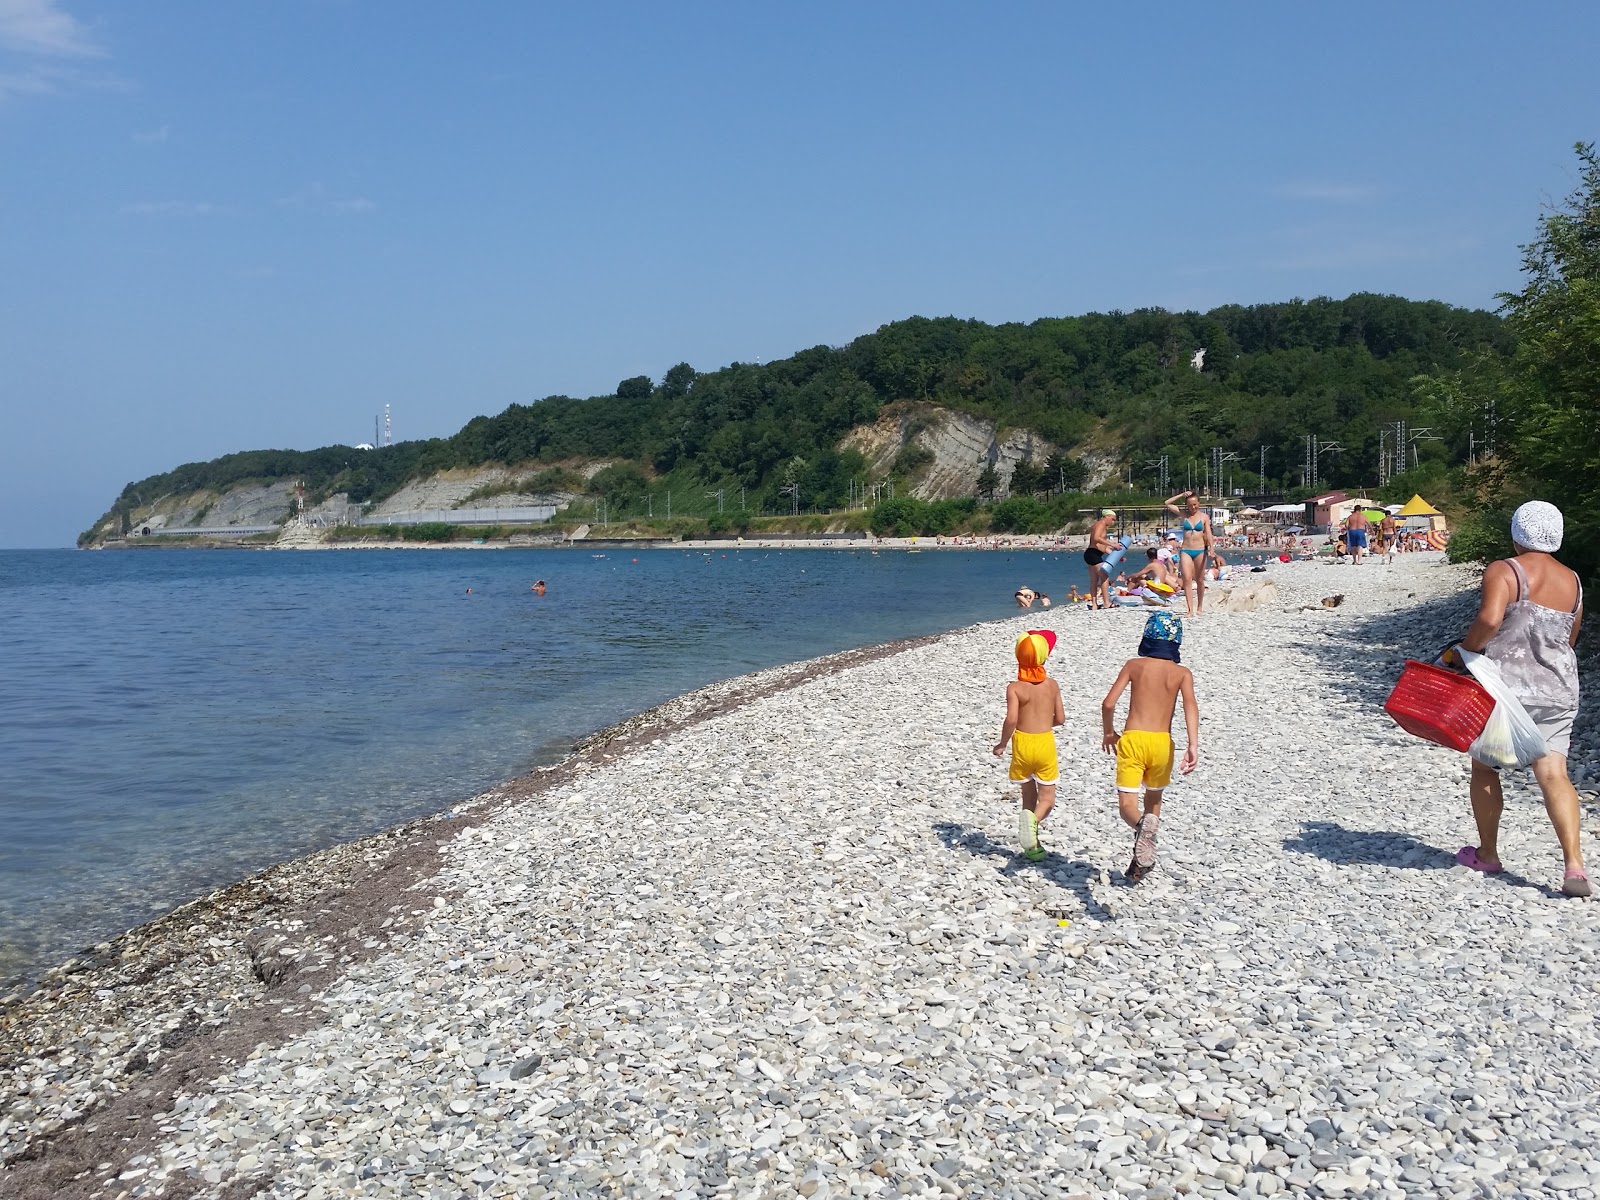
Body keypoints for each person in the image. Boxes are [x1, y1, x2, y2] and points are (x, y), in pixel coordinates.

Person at [1452, 501, 1589, 897]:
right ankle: (1575, 866)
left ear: (1517, 534)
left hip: (1505, 690)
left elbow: (1490, 619)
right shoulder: (1574, 582)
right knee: (1554, 775)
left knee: (1485, 768)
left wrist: (1466, 651)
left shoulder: (1505, 570)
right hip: (1558, 689)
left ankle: (1489, 853)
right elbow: (1569, 640)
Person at [1100, 612, 1200, 882]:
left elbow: (1109, 703)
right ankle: (1140, 863)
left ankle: (1140, 828)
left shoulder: (1134, 665)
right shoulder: (1181, 673)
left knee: (1127, 805)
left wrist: (1109, 732)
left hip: (1133, 740)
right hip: (1162, 744)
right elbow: (1190, 705)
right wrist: (1193, 744)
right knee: (1153, 801)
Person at [993, 630, 1066, 862]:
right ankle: (1033, 824)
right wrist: (1047, 721)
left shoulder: (1015, 687)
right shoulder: (1052, 685)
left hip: (1022, 743)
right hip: (1044, 742)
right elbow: (1061, 719)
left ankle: (1032, 846)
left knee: (1028, 796)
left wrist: (1002, 744)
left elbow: (1012, 720)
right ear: (1044, 658)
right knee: (1047, 799)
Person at [1163, 492, 1213, 617]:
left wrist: (1211, 548)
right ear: (1187, 505)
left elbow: (1209, 533)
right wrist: (1181, 495)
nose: (1193, 508)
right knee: (1187, 578)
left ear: (1199, 503)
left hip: (1200, 550)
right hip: (1185, 549)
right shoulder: (1184, 514)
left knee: (1200, 579)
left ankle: (1199, 606)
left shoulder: (1204, 517)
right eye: (1190, 505)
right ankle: (1190, 609)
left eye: (1195, 504)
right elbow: (1167, 503)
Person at [1083, 510, 1119, 611]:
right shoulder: (1101, 524)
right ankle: (1106, 603)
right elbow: (1096, 538)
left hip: (1092, 553)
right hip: (1093, 554)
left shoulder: (1099, 525)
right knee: (1105, 577)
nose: (1112, 522)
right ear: (1106, 516)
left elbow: (1102, 546)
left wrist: (1116, 555)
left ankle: (1094, 605)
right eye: (1112, 519)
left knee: (1094, 581)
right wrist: (1113, 544)